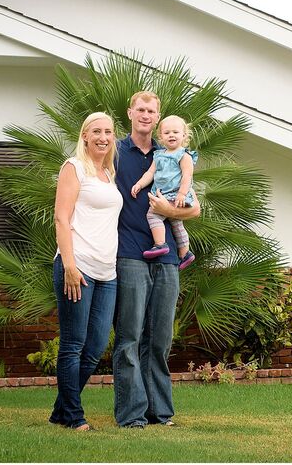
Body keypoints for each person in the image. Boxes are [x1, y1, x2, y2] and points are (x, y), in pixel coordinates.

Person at [112, 91, 200, 428]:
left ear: (159, 117)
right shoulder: (117, 151)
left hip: (166, 261)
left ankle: (159, 412)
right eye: (141, 110)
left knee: (160, 337)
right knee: (130, 336)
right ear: (131, 112)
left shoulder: (172, 153)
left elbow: (195, 207)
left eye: (152, 111)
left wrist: (167, 210)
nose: (146, 115)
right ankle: (132, 414)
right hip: (130, 253)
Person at [49, 112, 122, 432]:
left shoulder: (109, 172)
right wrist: (68, 265)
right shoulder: (73, 167)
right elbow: (61, 219)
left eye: (108, 131)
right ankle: (74, 417)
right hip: (78, 267)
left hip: (108, 273)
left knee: (94, 350)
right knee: (73, 345)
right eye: (96, 131)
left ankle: (60, 410)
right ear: (85, 136)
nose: (103, 137)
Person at [131, 115, 198, 271]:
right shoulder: (159, 155)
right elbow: (150, 173)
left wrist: (181, 194)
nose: (171, 135)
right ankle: (185, 253)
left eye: (176, 132)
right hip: (163, 193)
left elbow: (187, 176)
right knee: (176, 222)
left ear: (184, 135)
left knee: (153, 215)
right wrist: (140, 184)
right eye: (167, 133)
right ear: (161, 137)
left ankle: (160, 244)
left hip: (175, 194)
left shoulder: (184, 156)